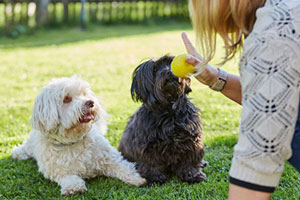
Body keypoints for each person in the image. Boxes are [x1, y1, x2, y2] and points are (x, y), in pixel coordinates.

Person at [179, 0, 300, 199]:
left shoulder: (276, 29)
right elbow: (274, 97)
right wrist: (215, 78)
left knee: (291, 125)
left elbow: (257, 160)